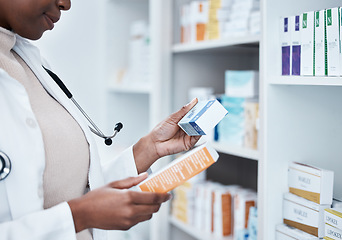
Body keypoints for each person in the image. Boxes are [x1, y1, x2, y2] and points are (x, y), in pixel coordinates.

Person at [0, 0, 200, 239]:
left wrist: (147, 149)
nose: (66, 4)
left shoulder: (29, 60)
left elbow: (64, 189)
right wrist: (80, 216)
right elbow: (71, 211)